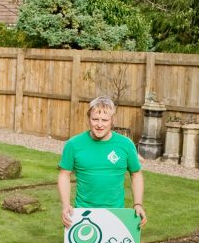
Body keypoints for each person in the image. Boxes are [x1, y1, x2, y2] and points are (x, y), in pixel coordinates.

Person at [58, 96, 147, 229]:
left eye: (104, 120)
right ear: (89, 118)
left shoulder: (126, 144)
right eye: (95, 119)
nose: (99, 125)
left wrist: (138, 204)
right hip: (83, 214)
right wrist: (66, 205)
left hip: (116, 215)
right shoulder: (73, 144)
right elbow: (64, 174)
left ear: (113, 120)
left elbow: (136, 174)